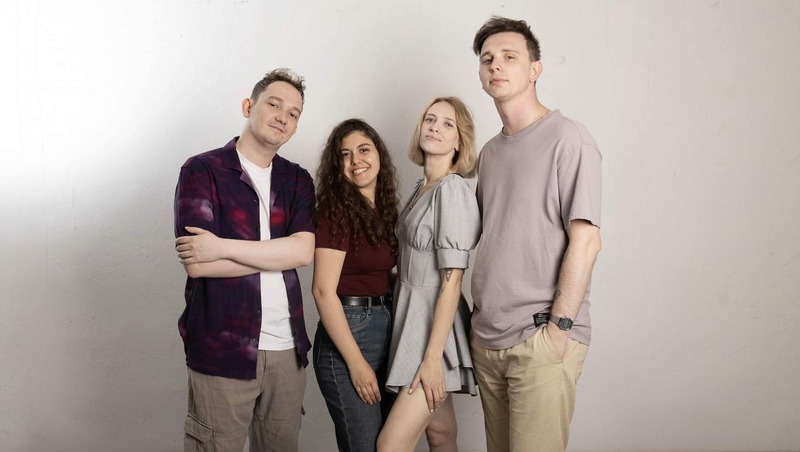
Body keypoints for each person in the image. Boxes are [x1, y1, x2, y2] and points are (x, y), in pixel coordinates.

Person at [469, 17, 603, 452]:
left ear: (534, 70)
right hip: (487, 339)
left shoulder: (569, 139)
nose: (496, 65)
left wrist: (558, 329)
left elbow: (586, 241)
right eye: (488, 59)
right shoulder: (489, 153)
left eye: (509, 57)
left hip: (541, 335)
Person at [173, 68, 315, 452]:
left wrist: (222, 246)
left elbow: (303, 252)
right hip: (223, 349)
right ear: (248, 106)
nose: (283, 117)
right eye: (274, 104)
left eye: (294, 113)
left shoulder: (297, 180)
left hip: (287, 351)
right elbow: (198, 263)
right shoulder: (202, 170)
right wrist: (278, 253)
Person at [377, 97, 480, 452]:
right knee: (441, 434)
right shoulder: (423, 187)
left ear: (459, 142)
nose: (435, 127)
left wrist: (433, 359)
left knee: (390, 445)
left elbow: (453, 281)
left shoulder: (452, 190)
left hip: (433, 329)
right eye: (430, 119)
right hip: (410, 318)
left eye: (447, 124)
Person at [311, 118, 400, 451]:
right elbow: (322, 291)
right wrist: (357, 363)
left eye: (363, 150)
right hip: (350, 333)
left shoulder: (384, 209)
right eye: (345, 155)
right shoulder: (335, 212)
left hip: (386, 325)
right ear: (337, 165)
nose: (355, 161)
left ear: (378, 154)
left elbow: (381, 272)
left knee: (387, 443)